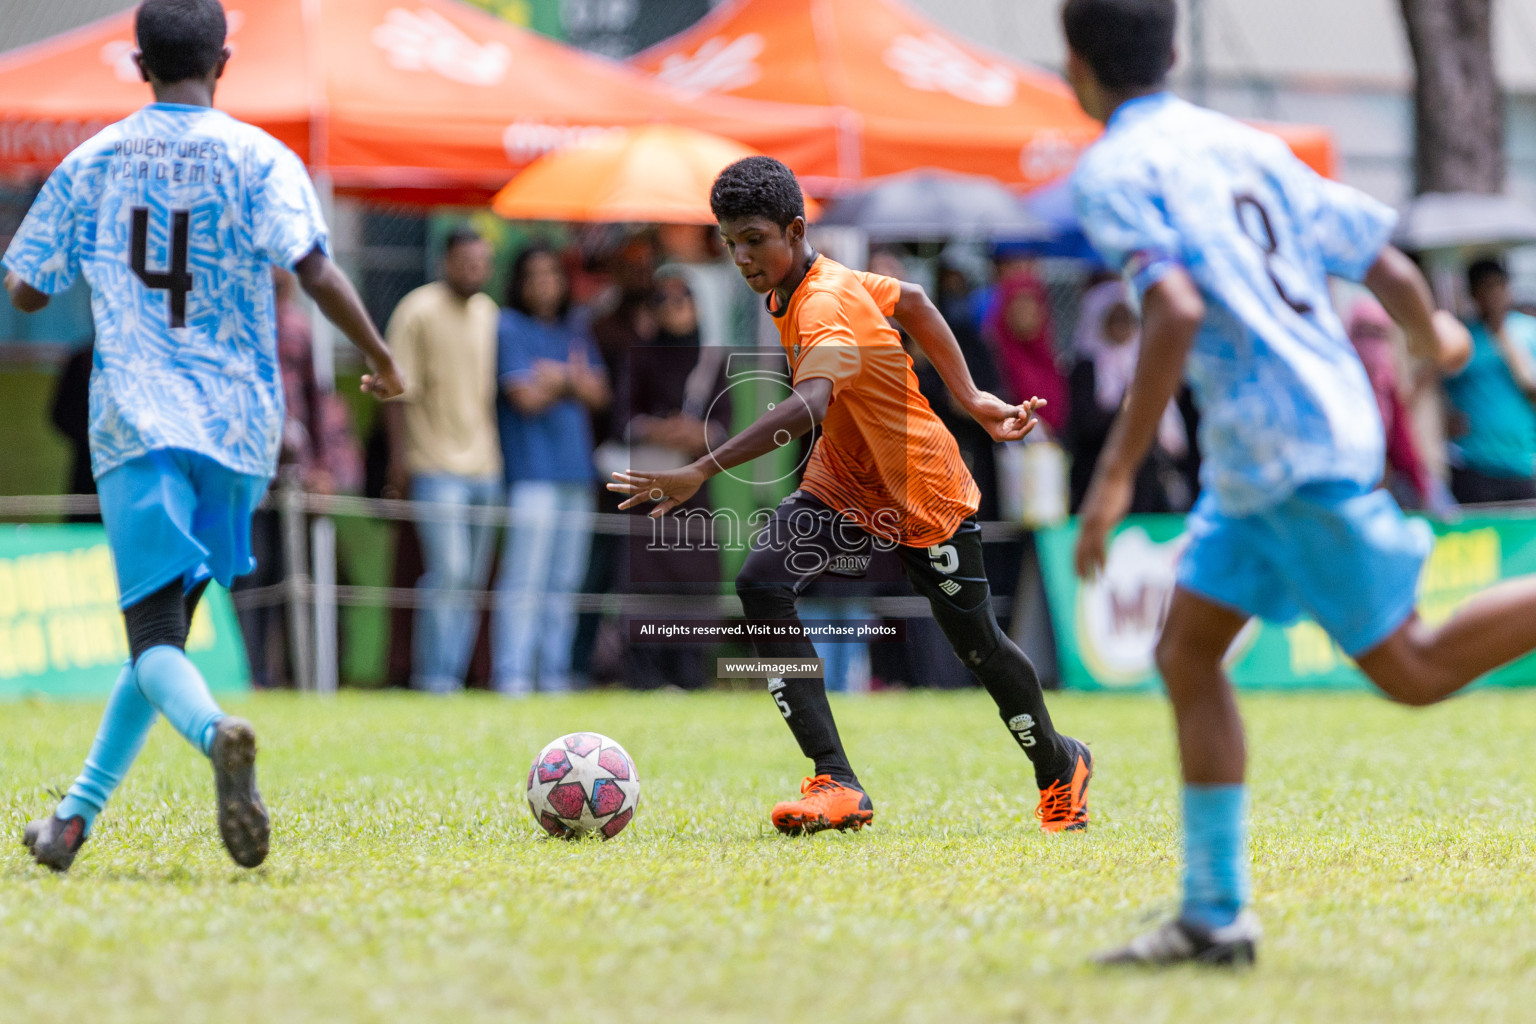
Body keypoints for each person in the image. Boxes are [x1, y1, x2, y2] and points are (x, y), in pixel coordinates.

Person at [1062, 0, 1536, 967]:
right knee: (1188, 653)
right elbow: (1383, 260)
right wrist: (1427, 334)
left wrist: (1112, 478)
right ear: (1176, 50)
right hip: (1271, 454)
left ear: (1075, 65)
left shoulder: (1114, 169)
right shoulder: (1244, 145)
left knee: (1413, 669)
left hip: (1283, 451)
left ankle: (1214, 912)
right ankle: (1214, 916)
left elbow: (1177, 308)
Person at [2, 0, 403, 872]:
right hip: (238, 425)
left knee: (151, 639)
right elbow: (315, 269)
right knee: (164, 639)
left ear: (135, 61)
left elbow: (25, 288)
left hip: (137, 418)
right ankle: (71, 822)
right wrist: (378, 356)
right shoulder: (264, 157)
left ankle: (218, 731)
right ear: (225, 58)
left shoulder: (93, 159)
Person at [610, 156, 1093, 836]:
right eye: (730, 242)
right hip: (845, 479)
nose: (742, 257)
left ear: (795, 229)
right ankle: (836, 780)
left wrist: (702, 468)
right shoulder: (814, 279)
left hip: (919, 487)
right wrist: (972, 396)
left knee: (978, 646)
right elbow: (918, 304)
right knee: (761, 582)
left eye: (754, 238)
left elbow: (809, 402)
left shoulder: (824, 301)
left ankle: (1059, 763)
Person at [384, 227, 502, 693]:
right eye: (467, 261)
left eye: (482, 262)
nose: (475, 270)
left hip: (487, 467)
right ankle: (434, 678)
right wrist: (400, 459)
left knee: (470, 582)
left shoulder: (489, 313)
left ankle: (451, 675)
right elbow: (396, 391)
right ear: (445, 262)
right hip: (433, 465)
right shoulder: (417, 309)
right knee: (448, 574)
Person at [493, 245, 609, 696]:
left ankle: (553, 675)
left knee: (565, 584)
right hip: (530, 474)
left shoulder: (575, 327)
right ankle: (513, 677)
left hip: (574, 474)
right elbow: (524, 397)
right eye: (534, 274)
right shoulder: (509, 326)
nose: (544, 282)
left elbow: (600, 393)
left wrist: (554, 379)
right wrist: (572, 381)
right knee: (525, 579)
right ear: (519, 281)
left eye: (552, 273)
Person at [619, 268, 731, 691]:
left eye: (681, 298)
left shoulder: (711, 362)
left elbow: (725, 427)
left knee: (694, 583)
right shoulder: (641, 355)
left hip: (694, 493)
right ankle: (645, 678)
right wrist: (659, 429)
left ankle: (690, 674)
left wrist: (695, 434)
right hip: (646, 490)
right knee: (645, 581)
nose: (673, 309)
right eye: (662, 301)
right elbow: (622, 420)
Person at [1065, 278, 1192, 513]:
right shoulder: (1085, 369)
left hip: (1146, 482)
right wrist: (1126, 410)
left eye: (1127, 320)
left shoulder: (1148, 366)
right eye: (1115, 320)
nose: (1121, 327)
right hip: (1095, 477)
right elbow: (1083, 426)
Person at [1443, 258, 1536, 504]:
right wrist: (1445, 418)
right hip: (1475, 465)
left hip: (1525, 463)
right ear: (1473, 293)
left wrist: (1502, 336)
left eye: (1498, 286)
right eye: (1485, 287)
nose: (1493, 295)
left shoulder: (1528, 330)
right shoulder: (1459, 338)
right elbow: (1436, 387)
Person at [1346, 296, 1437, 508]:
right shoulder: (1337, 385)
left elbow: (1402, 445)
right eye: (1363, 332)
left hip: (1382, 491)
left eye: (1379, 333)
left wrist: (1421, 490)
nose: (1371, 343)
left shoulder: (1387, 387)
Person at [985, 271, 1069, 436]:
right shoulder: (989, 358)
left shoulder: (1053, 360)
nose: (1025, 312)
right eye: (1018, 304)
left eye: (1031, 303)